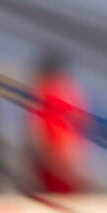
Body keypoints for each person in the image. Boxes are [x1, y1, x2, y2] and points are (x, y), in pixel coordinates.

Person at [27, 50, 88, 194]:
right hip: (54, 158)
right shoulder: (65, 91)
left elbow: (75, 130)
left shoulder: (55, 91)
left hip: (58, 158)